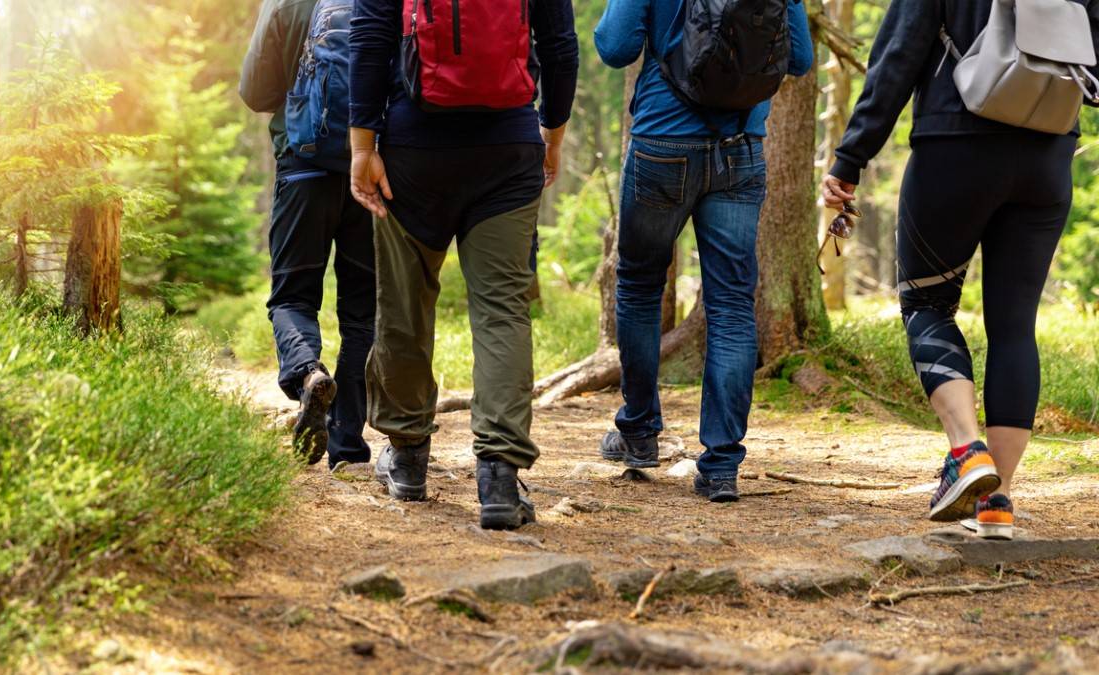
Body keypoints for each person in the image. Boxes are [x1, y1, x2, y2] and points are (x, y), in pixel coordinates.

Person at [821, 0, 1099, 538]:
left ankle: (968, 452)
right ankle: (997, 504)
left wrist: (850, 158)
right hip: (1048, 154)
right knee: (1015, 326)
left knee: (926, 303)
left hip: (955, 143)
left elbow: (898, 56)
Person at [349, 0, 579, 530]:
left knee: (405, 306)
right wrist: (552, 135)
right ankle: (498, 475)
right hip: (507, 149)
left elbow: (367, 40)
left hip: (412, 152)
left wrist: (363, 145)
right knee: (502, 312)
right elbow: (561, 46)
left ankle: (407, 459)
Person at [593, 0, 814, 502]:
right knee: (733, 303)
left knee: (640, 285)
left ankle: (640, 431)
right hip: (740, 149)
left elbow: (614, 46)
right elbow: (798, 60)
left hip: (661, 145)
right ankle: (720, 465)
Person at [240, 0, 377, 470]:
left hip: (303, 167)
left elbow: (256, 92)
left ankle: (306, 373)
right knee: (362, 313)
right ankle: (349, 448)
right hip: (372, 171)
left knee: (291, 299)